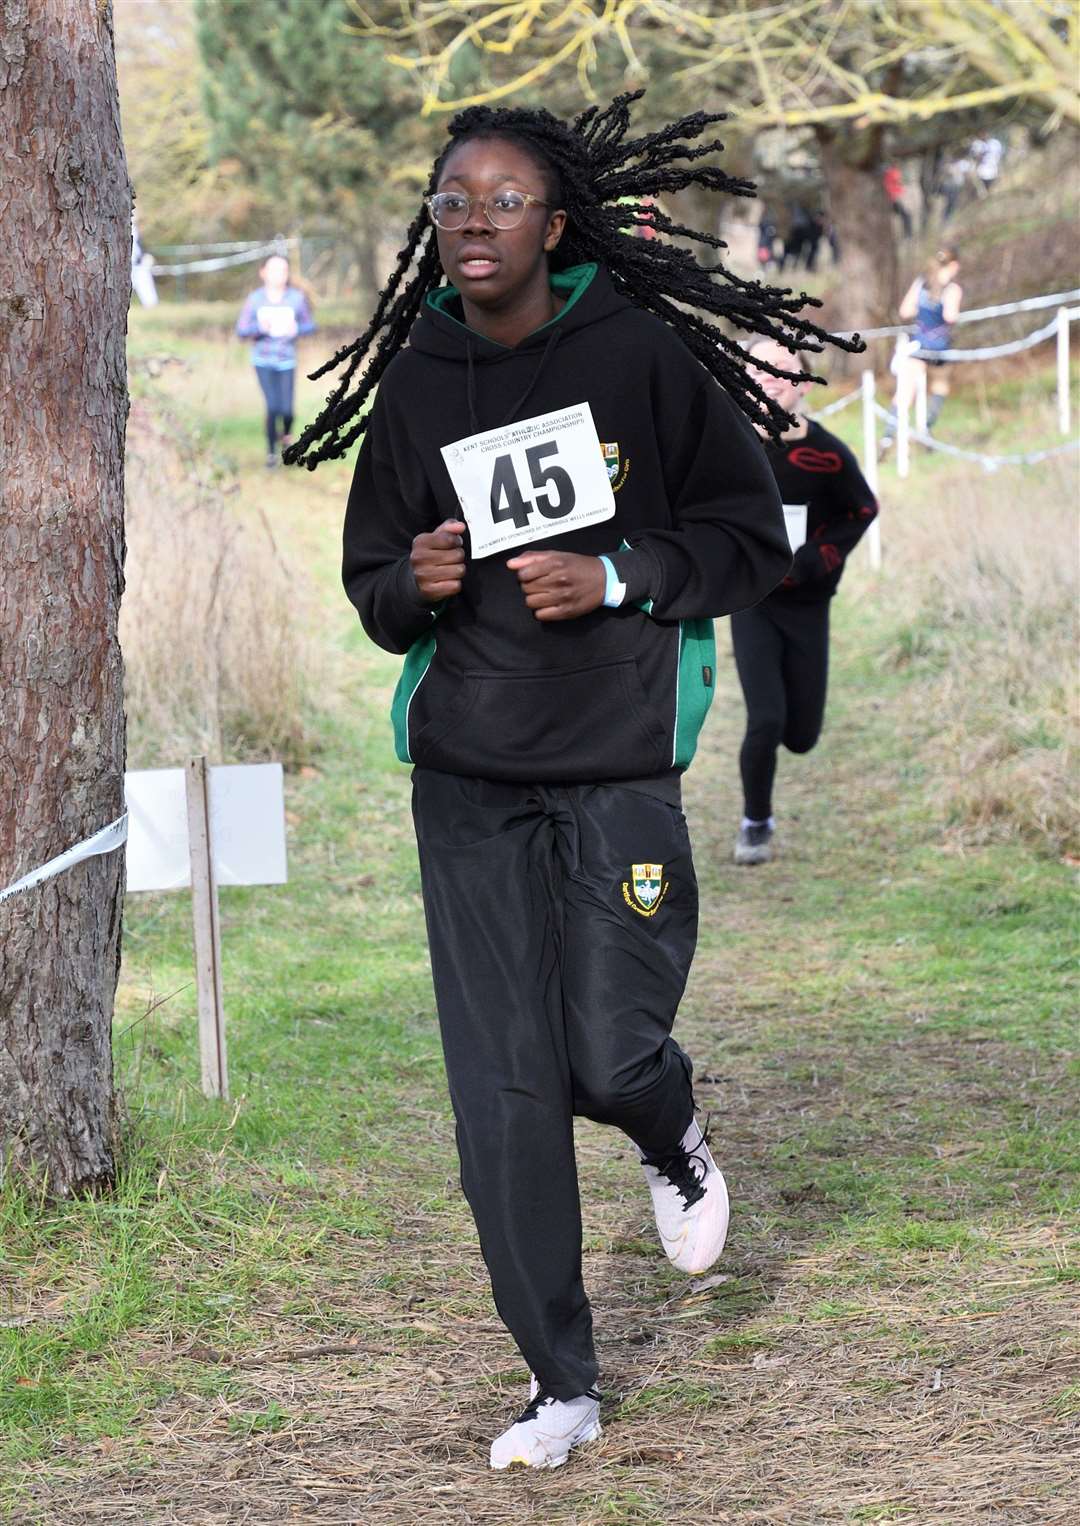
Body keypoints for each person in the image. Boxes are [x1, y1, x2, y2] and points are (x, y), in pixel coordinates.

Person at [285, 93, 860, 1471]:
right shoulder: (418, 379)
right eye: (451, 201)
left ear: (555, 222)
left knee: (606, 1050)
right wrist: (402, 584)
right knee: (503, 1088)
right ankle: (561, 1382)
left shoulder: (642, 358)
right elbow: (371, 580)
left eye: (500, 199)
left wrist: (616, 573)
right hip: (471, 775)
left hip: (614, 757)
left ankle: (670, 1126)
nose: (472, 220)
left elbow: (744, 537)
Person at [731, 340, 879, 866]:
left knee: (801, 736)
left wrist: (815, 559)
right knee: (765, 720)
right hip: (753, 602)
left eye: (782, 369)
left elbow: (862, 509)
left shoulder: (828, 454)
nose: (769, 378)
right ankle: (755, 823)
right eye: (757, 369)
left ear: (802, 382)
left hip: (808, 605)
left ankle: (775, 783)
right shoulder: (728, 446)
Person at [235, 253, 316, 467]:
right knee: (272, 407)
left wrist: (296, 329)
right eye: (273, 270)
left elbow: (310, 326)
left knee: (287, 411)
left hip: (287, 360)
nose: (278, 275)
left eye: (282, 270)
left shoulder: (296, 298)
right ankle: (271, 455)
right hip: (263, 360)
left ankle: (286, 439)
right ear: (263, 273)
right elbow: (241, 330)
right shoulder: (255, 300)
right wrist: (261, 328)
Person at [880, 245, 962, 453]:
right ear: (953, 266)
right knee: (940, 386)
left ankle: (888, 437)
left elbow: (905, 310)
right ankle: (926, 429)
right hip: (939, 346)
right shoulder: (952, 289)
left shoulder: (921, 283)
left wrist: (923, 310)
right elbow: (950, 317)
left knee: (905, 393)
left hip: (918, 345)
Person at [883, 164, 912, 239]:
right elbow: (891, 186)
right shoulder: (892, 173)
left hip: (895, 199)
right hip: (893, 200)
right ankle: (908, 236)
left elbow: (898, 186)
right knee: (906, 216)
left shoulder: (893, 172)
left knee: (906, 215)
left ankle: (908, 235)